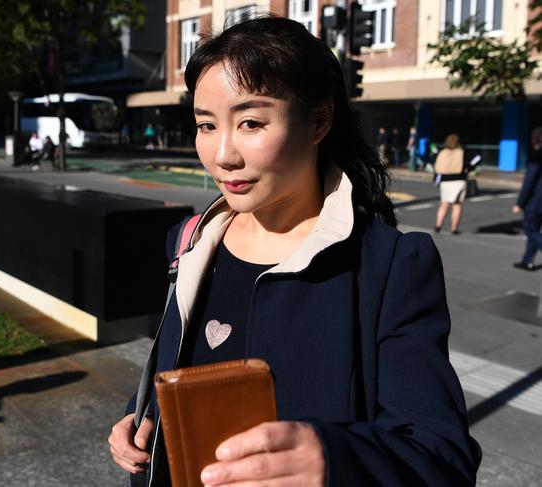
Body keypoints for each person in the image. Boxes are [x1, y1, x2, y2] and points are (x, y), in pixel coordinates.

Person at [108, 17, 481, 486]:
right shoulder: (189, 241)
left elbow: (441, 456)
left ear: (318, 120)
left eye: (251, 122)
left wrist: (333, 459)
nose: (223, 153)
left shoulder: (388, 266)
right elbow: (174, 368)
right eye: (206, 124)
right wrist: (140, 417)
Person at [512, 127, 542, 271]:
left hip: (536, 201)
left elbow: (529, 181)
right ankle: (527, 260)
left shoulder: (537, 155)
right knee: (534, 229)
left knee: (530, 229)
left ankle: (527, 260)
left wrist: (520, 203)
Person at [434, 134, 467, 234]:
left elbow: (437, 168)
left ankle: (438, 225)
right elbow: (473, 162)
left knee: (444, 204)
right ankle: (454, 228)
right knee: (457, 205)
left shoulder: (442, 153)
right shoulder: (461, 153)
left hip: (445, 180)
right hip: (459, 180)